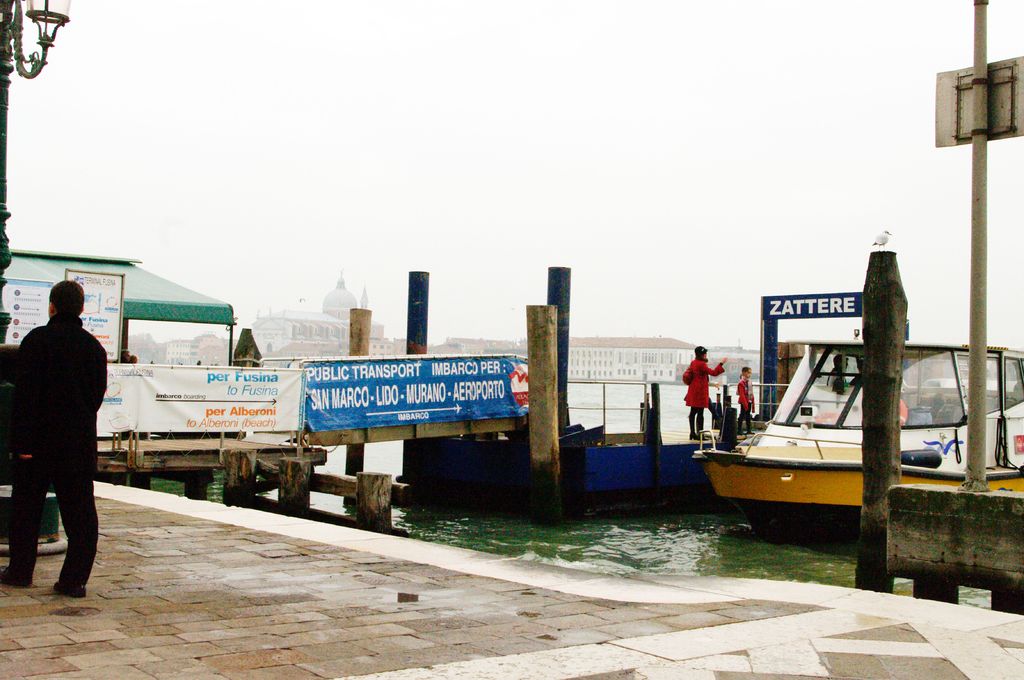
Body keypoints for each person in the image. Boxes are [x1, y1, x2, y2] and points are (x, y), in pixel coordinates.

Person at [1, 281, 107, 598]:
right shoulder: (94, 349)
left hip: (37, 444)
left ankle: (20, 571)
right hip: (76, 446)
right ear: (82, 308)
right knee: (81, 517)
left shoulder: (36, 341)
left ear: (51, 306)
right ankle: (74, 579)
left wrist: (21, 444)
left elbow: (24, 398)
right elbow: (95, 398)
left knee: (26, 511)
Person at [684, 346, 727, 440]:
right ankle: (700, 434)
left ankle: (692, 433)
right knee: (700, 413)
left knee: (692, 413)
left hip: (693, 390)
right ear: (702, 355)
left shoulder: (693, 362)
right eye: (705, 354)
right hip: (700, 392)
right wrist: (721, 363)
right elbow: (714, 373)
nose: (706, 355)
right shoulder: (702, 364)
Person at [737, 366, 755, 435]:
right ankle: (739, 430)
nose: (750, 374)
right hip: (743, 401)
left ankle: (749, 430)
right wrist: (745, 404)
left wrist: (752, 400)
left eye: (750, 373)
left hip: (749, 400)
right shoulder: (741, 383)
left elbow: (751, 392)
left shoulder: (749, 382)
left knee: (748, 416)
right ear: (744, 373)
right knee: (742, 415)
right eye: (748, 372)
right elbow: (742, 394)